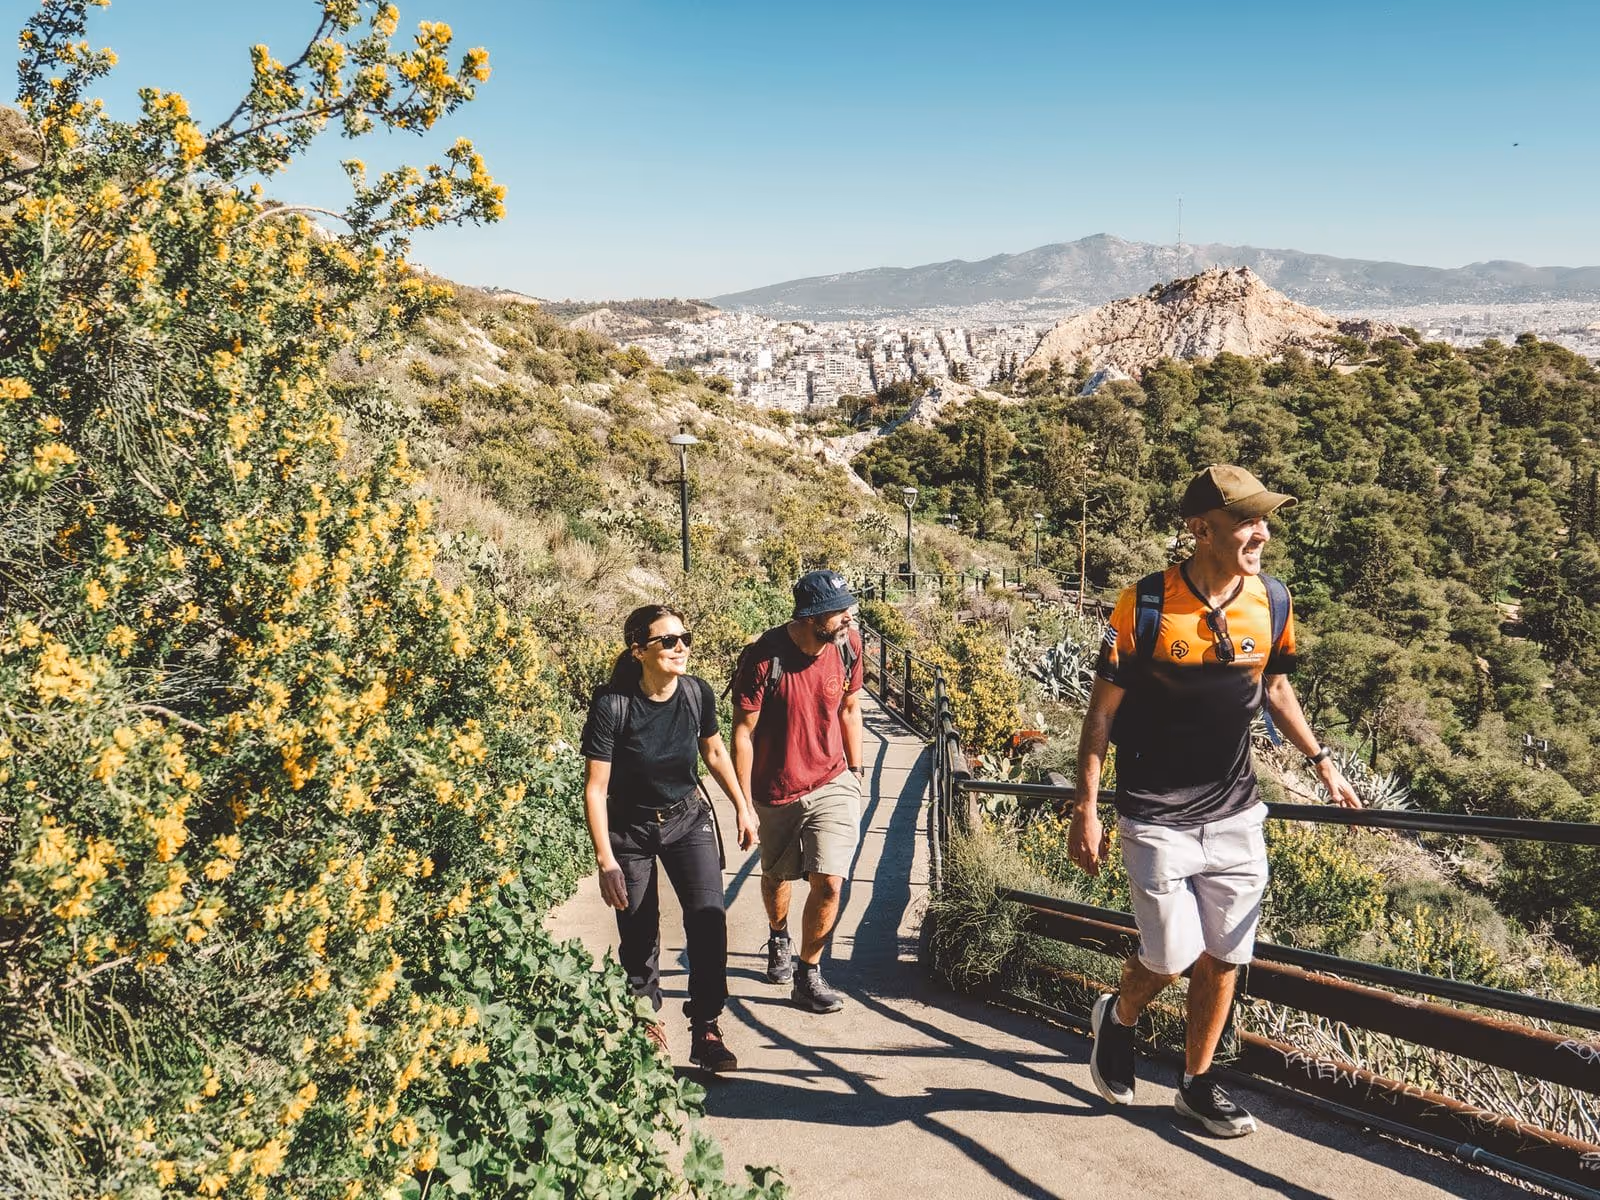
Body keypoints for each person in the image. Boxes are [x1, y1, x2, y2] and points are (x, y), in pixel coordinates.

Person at [1071, 464, 1361, 1136]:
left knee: (1227, 954)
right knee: (1170, 956)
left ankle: (1197, 1084)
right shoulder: (1142, 605)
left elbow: (1277, 690)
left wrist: (1323, 765)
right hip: (1154, 813)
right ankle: (1118, 1017)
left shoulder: (1274, 601)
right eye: (1246, 521)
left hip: (1235, 812)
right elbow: (1100, 716)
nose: (1262, 532)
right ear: (1201, 530)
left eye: (1265, 519)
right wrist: (1086, 807)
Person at [581, 604, 758, 1073]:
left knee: (708, 920)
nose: (681, 647)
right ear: (638, 650)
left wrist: (742, 806)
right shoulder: (612, 705)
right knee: (638, 932)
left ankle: (706, 1027)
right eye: (668, 641)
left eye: (685, 638)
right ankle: (648, 1026)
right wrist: (606, 862)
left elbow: (715, 752)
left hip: (687, 818)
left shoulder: (697, 694)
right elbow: (596, 789)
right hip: (630, 830)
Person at [731, 570, 865, 1014]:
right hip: (777, 790)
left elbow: (849, 707)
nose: (849, 616)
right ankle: (778, 933)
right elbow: (743, 734)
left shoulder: (848, 645)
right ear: (810, 617)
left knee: (829, 880)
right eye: (839, 611)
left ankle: (809, 973)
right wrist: (744, 805)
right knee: (777, 876)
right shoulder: (763, 659)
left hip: (833, 781)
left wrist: (857, 772)